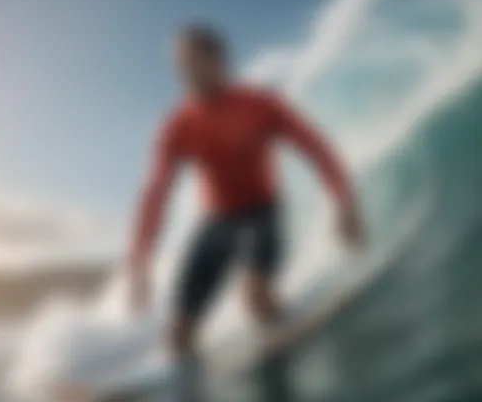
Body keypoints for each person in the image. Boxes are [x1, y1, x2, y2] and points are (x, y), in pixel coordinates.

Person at [128, 23, 363, 359]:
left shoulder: (261, 105)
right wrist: (140, 259)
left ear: (219, 59)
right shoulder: (177, 126)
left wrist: (344, 201)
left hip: (261, 211)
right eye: (179, 66)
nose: (184, 74)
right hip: (216, 222)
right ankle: (187, 384)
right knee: (178, 334)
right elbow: (156, 192)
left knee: (254, 297)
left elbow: (315, 147)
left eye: (191, 63)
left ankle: (292, 337)